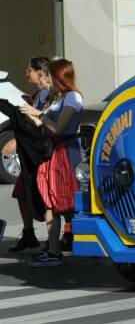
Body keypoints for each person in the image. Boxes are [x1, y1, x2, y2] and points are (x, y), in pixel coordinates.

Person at [19, 59, 84, 267]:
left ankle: (82, 241)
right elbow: (44, 125)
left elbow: (58, 127)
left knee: (69, 204)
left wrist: (38, 114)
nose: (46, 80)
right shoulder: (58, 98)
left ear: (59, 77)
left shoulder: (73, 97)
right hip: (54, 152)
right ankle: (54, 250)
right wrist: (29, 114)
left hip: (66, 151)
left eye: (50, 76)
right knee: (51, 202)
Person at [4, 57, 51, 253]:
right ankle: (29, 233)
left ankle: (62, 235)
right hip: (31, 153)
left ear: (39, 71)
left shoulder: (49, 95)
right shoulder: (37, 94)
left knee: (51, 197)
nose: (26, 74)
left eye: (29, 70)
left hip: (44, 153)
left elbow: (42, 122)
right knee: (21, 192)